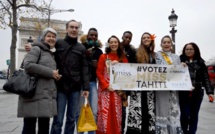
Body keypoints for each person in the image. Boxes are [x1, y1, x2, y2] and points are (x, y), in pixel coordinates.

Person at [50, 20, 89, 134]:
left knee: (71, 119)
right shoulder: (58, 43)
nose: (74, 29)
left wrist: (86, 88)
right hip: (60, 86)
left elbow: (85, 69)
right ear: (66, 29)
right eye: (71, 27)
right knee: (58, 119)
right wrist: (31, 46)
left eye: (76, 28)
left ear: (78, 30)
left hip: (75, 88)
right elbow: (44, 48)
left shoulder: (81, 48)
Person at [18, 27, 60, 134]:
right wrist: (51, 72)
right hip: (33, 94)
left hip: (45, 96)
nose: (51, 39)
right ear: (42, 38)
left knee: (44, 128)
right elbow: (28, 65)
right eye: (49, 36)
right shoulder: (36, 49)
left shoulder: (50, 53)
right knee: (29, 127)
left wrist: (55, 75)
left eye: (54, 37)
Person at [179, 42, 214, 134]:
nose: (188, 51)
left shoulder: (201, 63)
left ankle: (192, 132)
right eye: (186, 49)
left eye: (191, 49)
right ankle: (184, 130)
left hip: (197, 92)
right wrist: (179, 66)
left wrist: (209, 92)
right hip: (183, 93)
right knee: (184, 114)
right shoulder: (179, 61)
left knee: (194, 114)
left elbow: (206, 78)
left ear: (195, 50)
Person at [96, 35, 128, 134]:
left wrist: (119, 64)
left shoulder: (123, 58)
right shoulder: (103, 56)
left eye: (115, 42)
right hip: (105, 89)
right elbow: (99, 72)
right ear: (109, 44)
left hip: (117, 90)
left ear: (119, 44)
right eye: (111, 42)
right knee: (105, 113)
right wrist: (106, 85)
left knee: (116, 113)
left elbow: (128, 71)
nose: (113, 44)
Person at [126, 32, 156, 134]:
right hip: (138, 88)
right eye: (144, 38)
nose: (146, 39)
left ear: (151, 40)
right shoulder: (136, 53)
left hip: (150, 89)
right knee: (138, 112)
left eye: (148, 37)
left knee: (148, 112)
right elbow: (128, 67)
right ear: (141, 40)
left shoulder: (154, 54)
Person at [155, 35, 183, 134]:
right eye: (164, 42)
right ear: (161, 44)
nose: (166, 44)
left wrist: (182, 67)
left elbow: (179, 73)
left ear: (171, 44)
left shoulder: (176, 57)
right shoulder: (156, 55)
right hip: (161, 89)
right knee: (162, 109)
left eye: (168, 42)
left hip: (173, 89)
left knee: (173, 110)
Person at [79, 28, 103, 134]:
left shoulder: (99, 51)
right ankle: (80, 131)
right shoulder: (81, 47)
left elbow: (102, 69)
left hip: (93, 82)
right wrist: (87, 59)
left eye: (95, 35)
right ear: (87, 35)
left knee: (94, 110)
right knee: (80, 111)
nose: (93, 37)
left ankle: (91, 132)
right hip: (81, 82)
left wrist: (96, 66)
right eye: (91, 35)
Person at [121, 31, 136, 134]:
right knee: (121, 109)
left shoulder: (133, 51)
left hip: (128, 84)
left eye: (129, 38)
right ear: (122, 37)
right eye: (126, 37)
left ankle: (123, 129)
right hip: (118, 84)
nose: (127, 39)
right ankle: (119, 130)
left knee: (124, 109)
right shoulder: (117, 47)